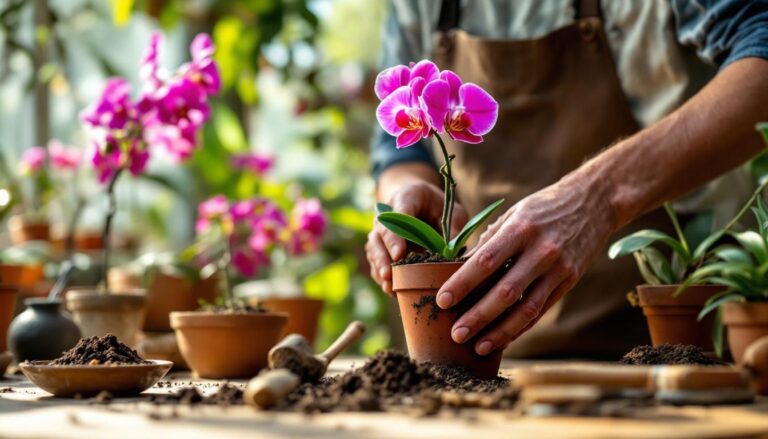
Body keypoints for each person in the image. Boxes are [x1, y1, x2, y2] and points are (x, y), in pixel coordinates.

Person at [365, 0, 768, 359]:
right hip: (495, 361)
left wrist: (599, 195)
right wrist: (404, 197)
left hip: (677, 348)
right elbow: (397, 149)